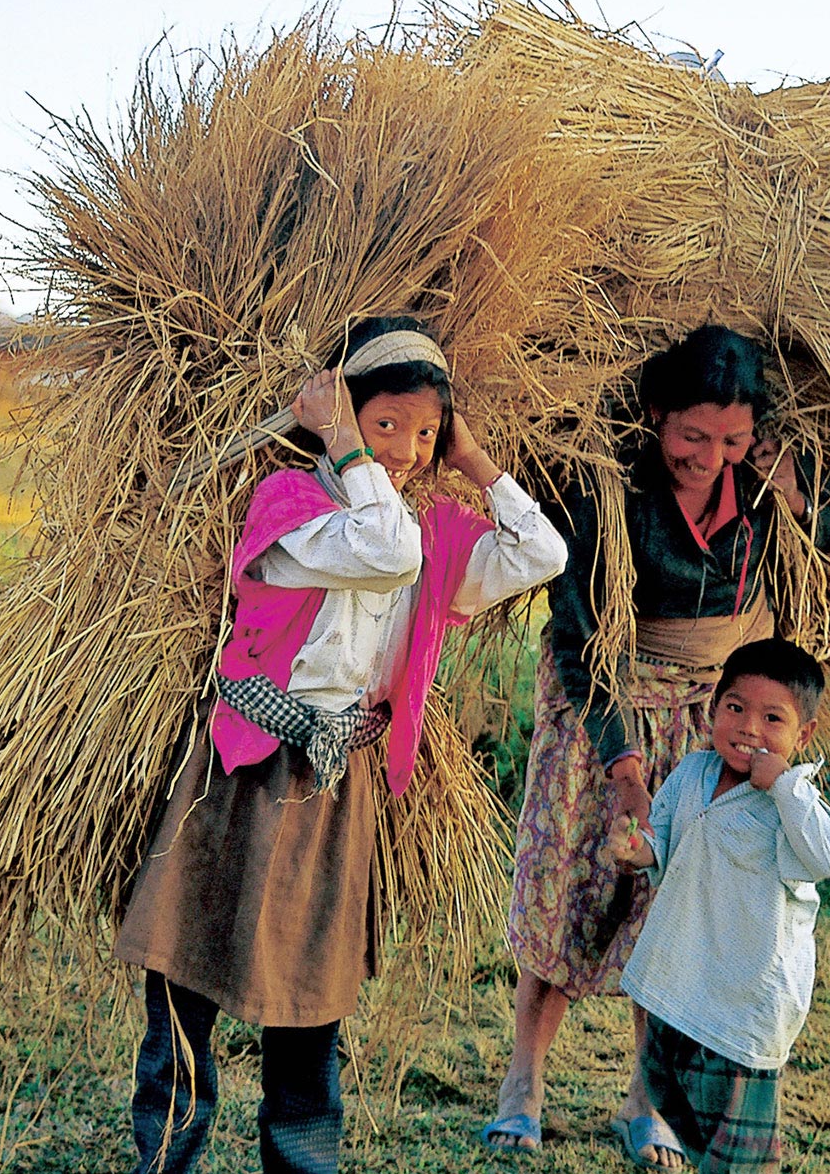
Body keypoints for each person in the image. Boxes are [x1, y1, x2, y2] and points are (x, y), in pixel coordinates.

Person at [116, 314, 568, 1174]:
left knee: (311, 1008)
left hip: (336, 790)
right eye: (385, 423)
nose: (404, 448)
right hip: (243, 773)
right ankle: (163, 1156)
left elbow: (542, 553)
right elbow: (384, 549)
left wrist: (474, 461)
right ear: (342, 413)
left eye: (425, 432)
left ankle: (302, 1160)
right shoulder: (290, 507)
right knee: (184, 979)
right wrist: (338, 440)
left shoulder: (433, 534)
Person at [484, 325, 830, 1165]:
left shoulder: (762, 490)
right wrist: (624, 768)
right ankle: (523, 1084)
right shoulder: (607, 489)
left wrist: (799, 500)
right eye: (691, 435)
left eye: (731, 438)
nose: (710, 455)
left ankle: (644, 1101)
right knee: (563, 888)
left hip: (713, 720)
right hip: (600, 710)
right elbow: (579, 638)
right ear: (656, 414)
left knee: (675, 910)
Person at [611, 637, 830, 1173]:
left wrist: (785, 788)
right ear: (713, 709)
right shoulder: (692, 773)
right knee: (673, 1093)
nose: (749, 728)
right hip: (680, 985)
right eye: (736, 708)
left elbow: (829, 855)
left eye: (773, 719)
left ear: (802, 735)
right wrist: (634, 850)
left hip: (745, 1005)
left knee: (736, 1150)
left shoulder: (793, 802)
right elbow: (664, 843)